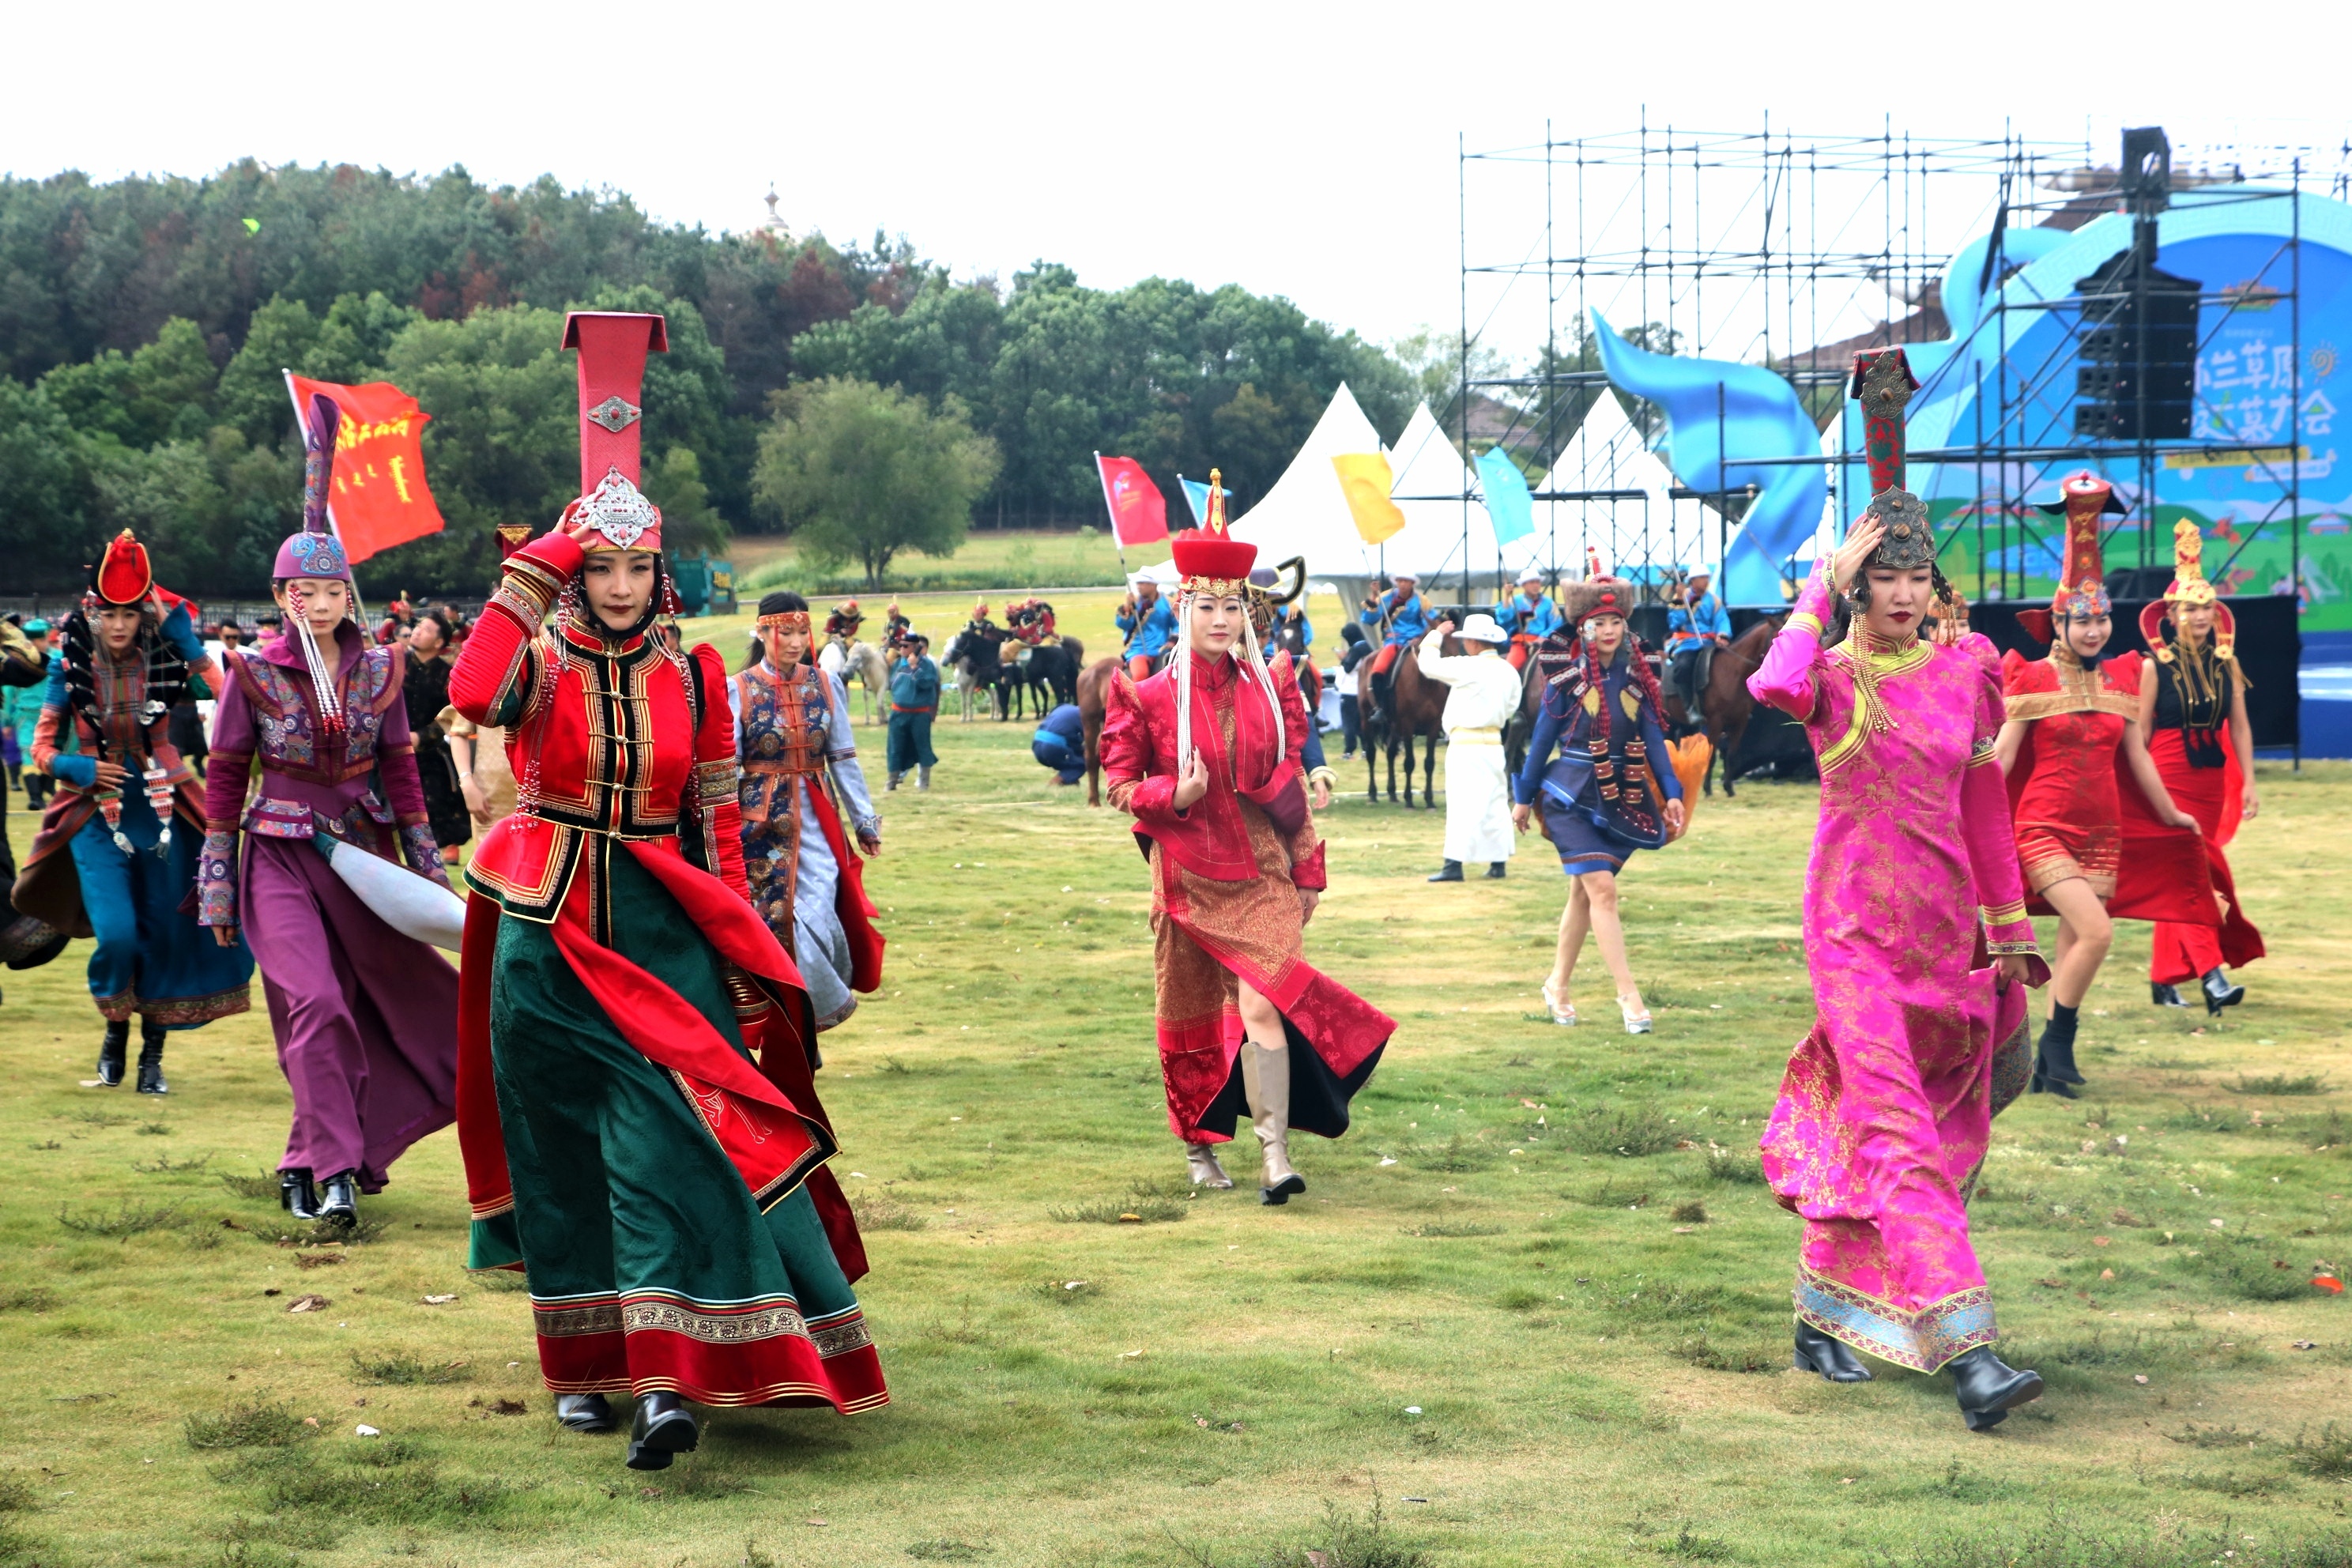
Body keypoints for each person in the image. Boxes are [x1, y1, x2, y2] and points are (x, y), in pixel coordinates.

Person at [450, 312, 882, 1466]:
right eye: (604, 564)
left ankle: (668, 1384)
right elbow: (473, 688)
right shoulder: (538, 659)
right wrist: (535, 568)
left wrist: (747, 951)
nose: (627, 583)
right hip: (544, 926)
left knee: (664, 1141)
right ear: (578, 569)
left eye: (641, 563)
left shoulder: (696, 670)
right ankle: (582, 1364)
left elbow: (720, 821)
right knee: (556, 1154)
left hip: (659, 929)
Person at [1746, 349, 2047, 1429]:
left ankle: (1822, 1316)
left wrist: (2009, 933)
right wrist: (1817, 592)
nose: (1907, 593)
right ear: (1860, 586)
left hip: (1943, 943)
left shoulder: (1968, 672)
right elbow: (1767, 686)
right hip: (1853, 941)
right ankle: (1970, 1357)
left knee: (1920, 1132)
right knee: (1897, 1138)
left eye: (1918, 576)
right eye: (1886, 577)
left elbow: (1982, 809)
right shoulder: (1828, 677)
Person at [198, 400, 458, 1227]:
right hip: (275, 855)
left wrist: (428, 870)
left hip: (364, 858)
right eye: (300, 589)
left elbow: (401, 771)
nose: (316, 602)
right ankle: (335, 1171)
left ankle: (312, 1156)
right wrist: (213, 886)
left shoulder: (381, 670)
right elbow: (226, 775)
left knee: (370, 1005)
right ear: (280, 594)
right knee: (312, 1002)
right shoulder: (252, 673)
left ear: (349, 593)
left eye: (329, 589)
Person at [1102, 472, 1393, 1204]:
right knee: (1190, 1013)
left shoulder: (1274, 684)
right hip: (1186, 879)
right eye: (1208, 605)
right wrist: (1178, 793)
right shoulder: (1144, 693)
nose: (1223, 618)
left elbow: (1291, 777)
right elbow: (1119, 786)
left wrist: (1306, 869)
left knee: (1264, 1002)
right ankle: (1200, 1149)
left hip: (1263, 871)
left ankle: (1275, 1156)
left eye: (1233, 605)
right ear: (1183, 608)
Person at [14, 533, 254, 1090]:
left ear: (144, 614)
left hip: (167, 809)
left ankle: (151, 1059)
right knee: (118, 933)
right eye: (108, 614)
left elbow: (234, 699)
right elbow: (43, 748)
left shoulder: (168, 656)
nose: (119, 626)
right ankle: (114, 1030)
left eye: (129, 614)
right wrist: (77, 770)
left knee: (166, 931)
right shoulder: (65, 664)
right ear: (92, 613)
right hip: (93, 811)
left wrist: (191, 644)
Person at [1996, 473, 2204, 1097]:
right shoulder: (2030, 680)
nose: (2094, 632)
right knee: (2098, 933)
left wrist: (2171, 815)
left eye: (2101, 620)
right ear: (2057, 623)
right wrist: (1957, 809)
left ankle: (2051, 1064)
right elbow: (2004, 760)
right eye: (2081, 622)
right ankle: (2055, 1042)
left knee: (2075, 944)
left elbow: (2137, 756)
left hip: (2102, 832)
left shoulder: (2122, 678)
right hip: (2042, 828)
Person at [1510, 579, 1684, 1031]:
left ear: (1625, 627)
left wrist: (1673, 794)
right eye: (1598, 622)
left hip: (1621, 795)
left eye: (1615, 621)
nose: (1608, 629)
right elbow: (1540, 744)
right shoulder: (1564, 682)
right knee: (1602, 891)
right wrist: (1523, 800)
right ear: (1583, 629)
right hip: (1569, 798)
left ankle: (1557, 986)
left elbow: (1654, 744)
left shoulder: (1639, 681)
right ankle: (1631, 999)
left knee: (1583, 894)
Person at [732, 590, 886, 1035]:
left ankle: (812, 1010)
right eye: (786, 632)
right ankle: (794, 1021)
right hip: (759, 823)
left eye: (803, 632)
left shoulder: (825, 684)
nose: (797, 642)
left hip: (818, 819)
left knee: (820, 910)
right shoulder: (737, 689)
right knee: (778, 917)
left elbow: (843, 759)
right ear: (762, 632)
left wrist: (864, 821)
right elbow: (725, 767)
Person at [2139, 518, 2266, 1014]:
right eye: (2192, 609)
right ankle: (2211, 976)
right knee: (2188, 875)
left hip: (2211, 780)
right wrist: (2138, 789)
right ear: (2172, 613)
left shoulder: (2225, 661)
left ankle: (2164, 976)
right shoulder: (2154, 667)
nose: (2200, 617)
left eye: (2207, 608)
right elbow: (2141, 733)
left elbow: (2240, 727)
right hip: (2168, 778)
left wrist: (2250, 780)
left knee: (2186, 879)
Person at [1418, 613, 1521, 881]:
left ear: (1475, 643)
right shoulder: (1509, 670)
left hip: (1465, 744)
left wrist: (1435, 636)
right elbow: (1511, 707)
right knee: (1496, 801)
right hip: (1494, 743)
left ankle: (1454, 865)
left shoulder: (1468, 666)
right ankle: (1498, 862)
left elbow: (1427, 665)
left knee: (1461, 803)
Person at [403, 609, 471, 866]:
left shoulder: (448, 676)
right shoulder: (396, 665)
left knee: (438, 794)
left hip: (430, 749)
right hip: (391, 746)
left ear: (439, 642)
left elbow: (448, 717)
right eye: (418, 626)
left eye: (427, 629)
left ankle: (448, 845)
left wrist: (421, 738)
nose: (418, 631)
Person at [1666, 564, 1732, 720]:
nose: (1706, 581)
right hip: (1688, 643)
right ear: (1693, 581)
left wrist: (1722, 636)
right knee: (1683, 667)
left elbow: (1722, 620)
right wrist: (1681, 601)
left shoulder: (1714, 600)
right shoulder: (1681, 597)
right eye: (1702, 578)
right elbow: (1674, 623)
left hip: (1709, 643)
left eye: (1707, 578)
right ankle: (1689, 707)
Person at [1360, 571, 1430, 698]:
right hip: (1394, 642)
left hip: (1417, 642)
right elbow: (1369, 620)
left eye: (1406, 581)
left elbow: (1430, 621)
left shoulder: (1422, 601)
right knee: (1378, 670)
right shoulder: (1385, 598)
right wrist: (1374, 595)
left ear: (1412, 583)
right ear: (1396, 582)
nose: (1403, 584)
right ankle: (1380, 707)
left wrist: (1420, 638)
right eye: (1400, 580)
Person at [886, 633, 940, 792]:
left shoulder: (927, 665)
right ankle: (892, 781)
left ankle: (924, 782)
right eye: (900, 645)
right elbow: (892, 685)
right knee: (895, 747)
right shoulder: (897, 664)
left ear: (915, 648)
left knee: (923, 747)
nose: (901, 649)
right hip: (898, 713)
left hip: (919, 714)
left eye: (905, 646)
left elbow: (928, 683)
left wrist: (915, 668)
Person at [1491, 566, 1565, 669]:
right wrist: (1506, 596)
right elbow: (1504, 617)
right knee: (1510, 669)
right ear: (1524, 585)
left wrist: (1543, 637)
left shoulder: (1549, 604)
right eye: (1531, 582)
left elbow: (1556, 623)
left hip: (1544, 643)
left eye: (1537, 582)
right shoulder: (1515, 601)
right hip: (1521, 643)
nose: (1535, 585)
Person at [1116, 576, 1177, 680]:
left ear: (1154, 584)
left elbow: (1177, 623)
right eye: (1138, 583)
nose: (1138, 586)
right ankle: (1136, 696)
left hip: (1163, 649)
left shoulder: (1168, 603)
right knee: (1140, 675)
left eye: (1142, 583)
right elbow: (1123, 625)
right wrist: (1127, 608)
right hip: (1139, 650)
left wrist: (1173, 640)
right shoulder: (1134, 603)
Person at [1334, 624, 1369, 763]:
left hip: (1349, 691)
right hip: (1363, 690)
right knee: (1361, 722)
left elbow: (1348, 667)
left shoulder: (1356, 649)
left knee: (1348, 723)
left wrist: (1343, 658)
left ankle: (1349, 751)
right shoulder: (1367, 646)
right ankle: (1366, 749)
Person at [1033, 702, 1087, 786]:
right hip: (1052, 748)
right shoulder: (1086, 716)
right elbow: (1089, 744)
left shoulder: (1063, 707)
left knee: (1071, 761)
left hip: (1036, 744)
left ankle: (1071, 780)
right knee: (1083, 764)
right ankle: (1057, 782)